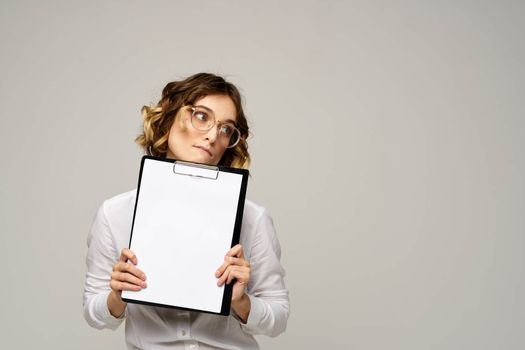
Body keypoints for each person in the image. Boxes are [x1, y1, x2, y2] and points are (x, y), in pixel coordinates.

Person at [83, 73, 290, 349]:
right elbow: (94, 314)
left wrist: (241, 301)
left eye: (226, 128)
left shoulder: (253, 218)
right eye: (202, 116)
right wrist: (117, 295)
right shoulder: (115, 214)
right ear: (168, 119)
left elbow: (279, 317)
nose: (213, 136)